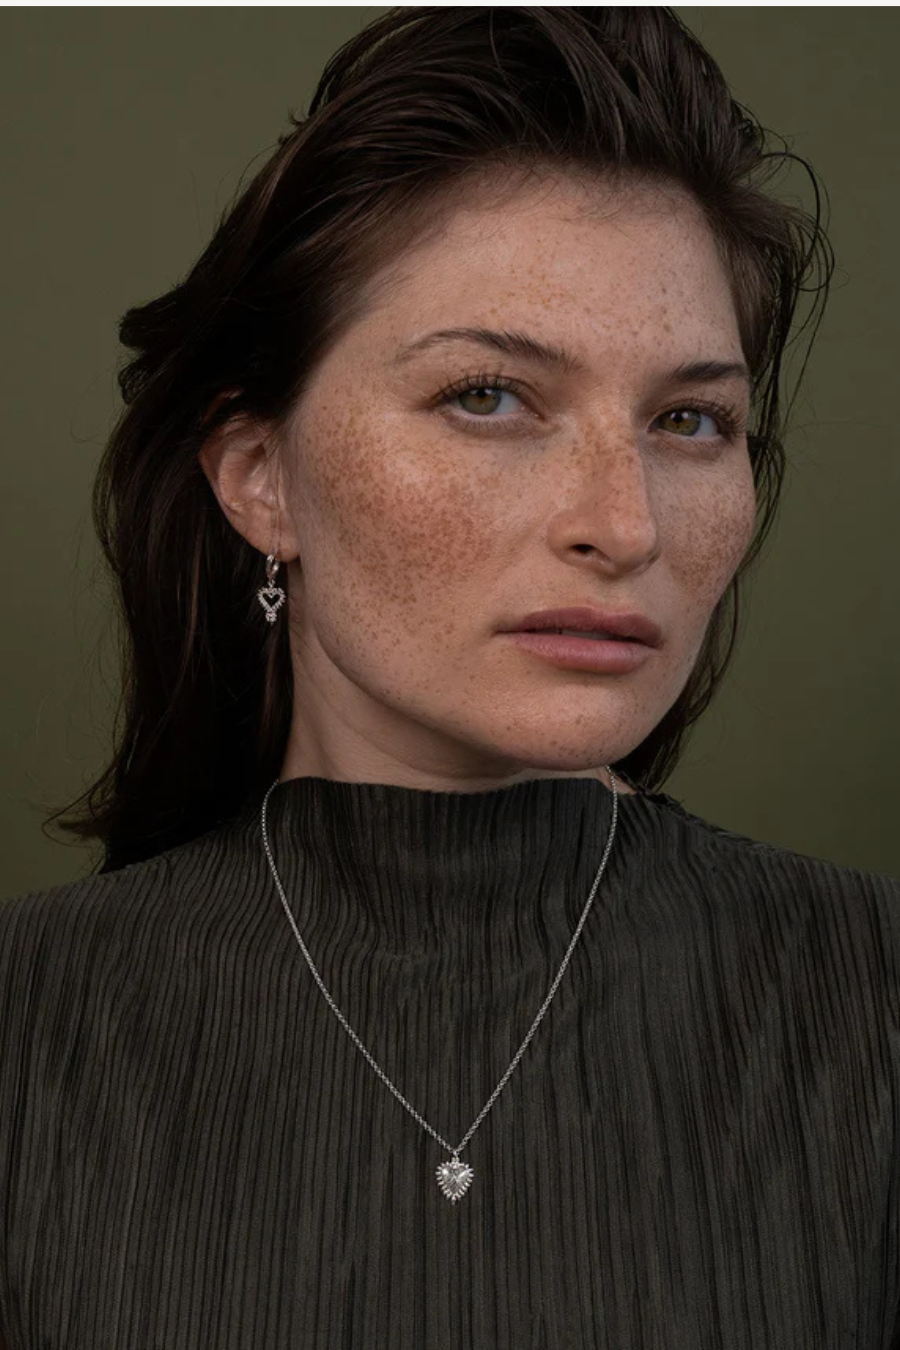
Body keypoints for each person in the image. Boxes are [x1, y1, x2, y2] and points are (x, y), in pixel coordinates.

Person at [1, 7, 897, 1347]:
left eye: (689, 419)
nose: (626, 523)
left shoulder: (871, 998)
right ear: (259, 478)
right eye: (489, 396)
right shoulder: (30, 1027)